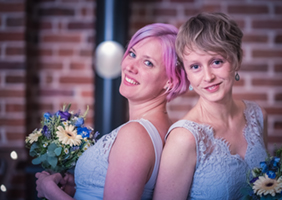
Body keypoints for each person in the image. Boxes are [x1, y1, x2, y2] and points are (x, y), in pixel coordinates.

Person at [35, 23, 188, 200]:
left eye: (148, 63)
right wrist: (78, 190)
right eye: (132, 53)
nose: (130, 66)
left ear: (170, 81)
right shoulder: (164, 129)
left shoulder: (135, 134)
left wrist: (50, 191)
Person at [153, 12, 268, 200]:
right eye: (195, 66)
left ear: (237, 59)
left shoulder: (258, 115)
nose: (207, 77)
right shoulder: (184, 138)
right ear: (187, 73)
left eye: (217, 62)